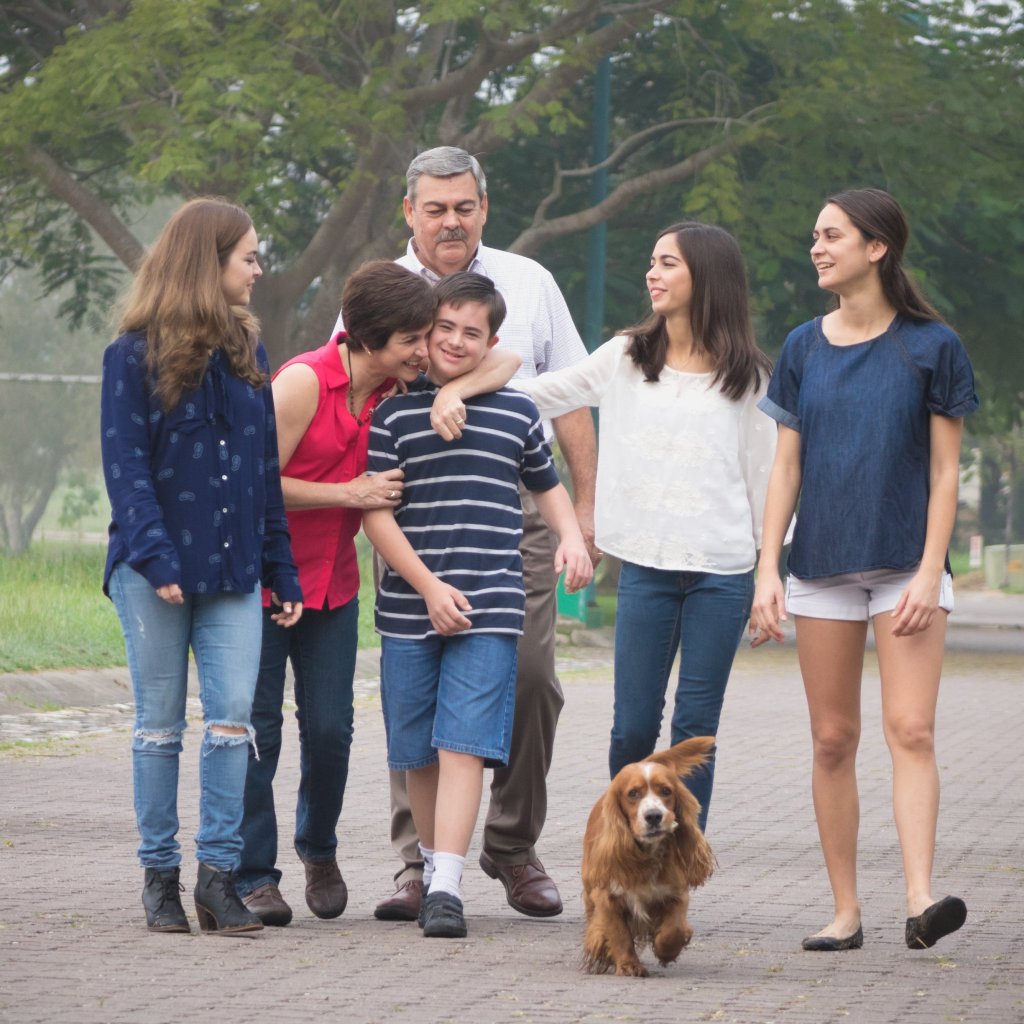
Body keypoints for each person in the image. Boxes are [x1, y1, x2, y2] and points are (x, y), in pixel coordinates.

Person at [337, 146, 599, 921]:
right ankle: (418, 862)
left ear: (483, 207)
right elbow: (348, 377)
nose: (450, 220)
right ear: (409, 212)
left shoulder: (528, 280)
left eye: (464, 207)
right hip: (410, 507)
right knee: (412, 695)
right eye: (435, 208)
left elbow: (562, 388)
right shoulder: (378, 288)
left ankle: (509, 845)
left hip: (512, 506)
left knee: (528, 677)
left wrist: (583, 515)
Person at [237, 261, 519, 926]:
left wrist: (458, 390)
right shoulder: (304, 382)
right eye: (415, 338)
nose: (428, 350)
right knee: (262, 731)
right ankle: (254, 873)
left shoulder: (395, 387)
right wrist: (347, 495)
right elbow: (252, 483)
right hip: (266, 581)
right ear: (369, 339)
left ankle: (320, 848)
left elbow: (503, 361)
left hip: (334, 586)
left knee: (332, 730)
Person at [749, 188, 978, 952]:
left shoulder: (931, 345)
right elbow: (786, 469)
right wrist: (767, 571)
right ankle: (845, 911)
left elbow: (946, 473)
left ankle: (919, 899)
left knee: (910, 728)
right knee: (831, 739)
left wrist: (926, 572)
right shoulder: (802, 347)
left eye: (832, 236)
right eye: (815, 235)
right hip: (820, 567)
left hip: (906, 567)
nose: (817, 248)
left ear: (876, 247)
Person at [508, 221, 776, 832]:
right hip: (647, 570)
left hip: (723, 573)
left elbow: (768, 486)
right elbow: (543, 393)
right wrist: (464, 384)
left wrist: (768, 579)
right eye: (651, 261)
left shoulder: (750, 379)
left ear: (706, 277)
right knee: (632, 724)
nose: (652, 274)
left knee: (694, 729)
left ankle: (680, 866)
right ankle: (622, 851)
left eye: (668, 264)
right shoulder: (627, 357)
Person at [100, 197, 303, 935]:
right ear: (207, 262)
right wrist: (156, 559)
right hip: (152, 573)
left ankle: (218, 880)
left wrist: (281, 570)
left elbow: (263, 474)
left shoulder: (251, 354)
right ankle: (160, 880)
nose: (257, 267)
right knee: (159, 728)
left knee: (232, 726)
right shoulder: (130, 355)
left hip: (234, 573)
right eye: (247, 255)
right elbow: (125, 471)